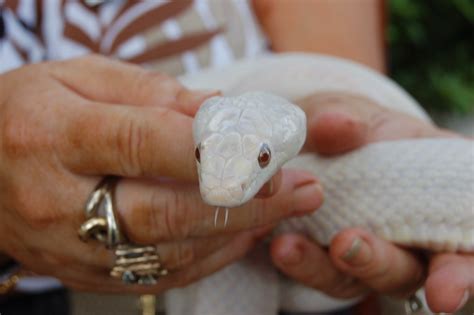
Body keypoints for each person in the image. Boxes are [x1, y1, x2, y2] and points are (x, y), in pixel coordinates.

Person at [0, 0, 471, 314]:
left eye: (264, 157)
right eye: (201, 155)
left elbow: (338, 87)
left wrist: (354, 124)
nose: (221, 187)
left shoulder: (283, 114)